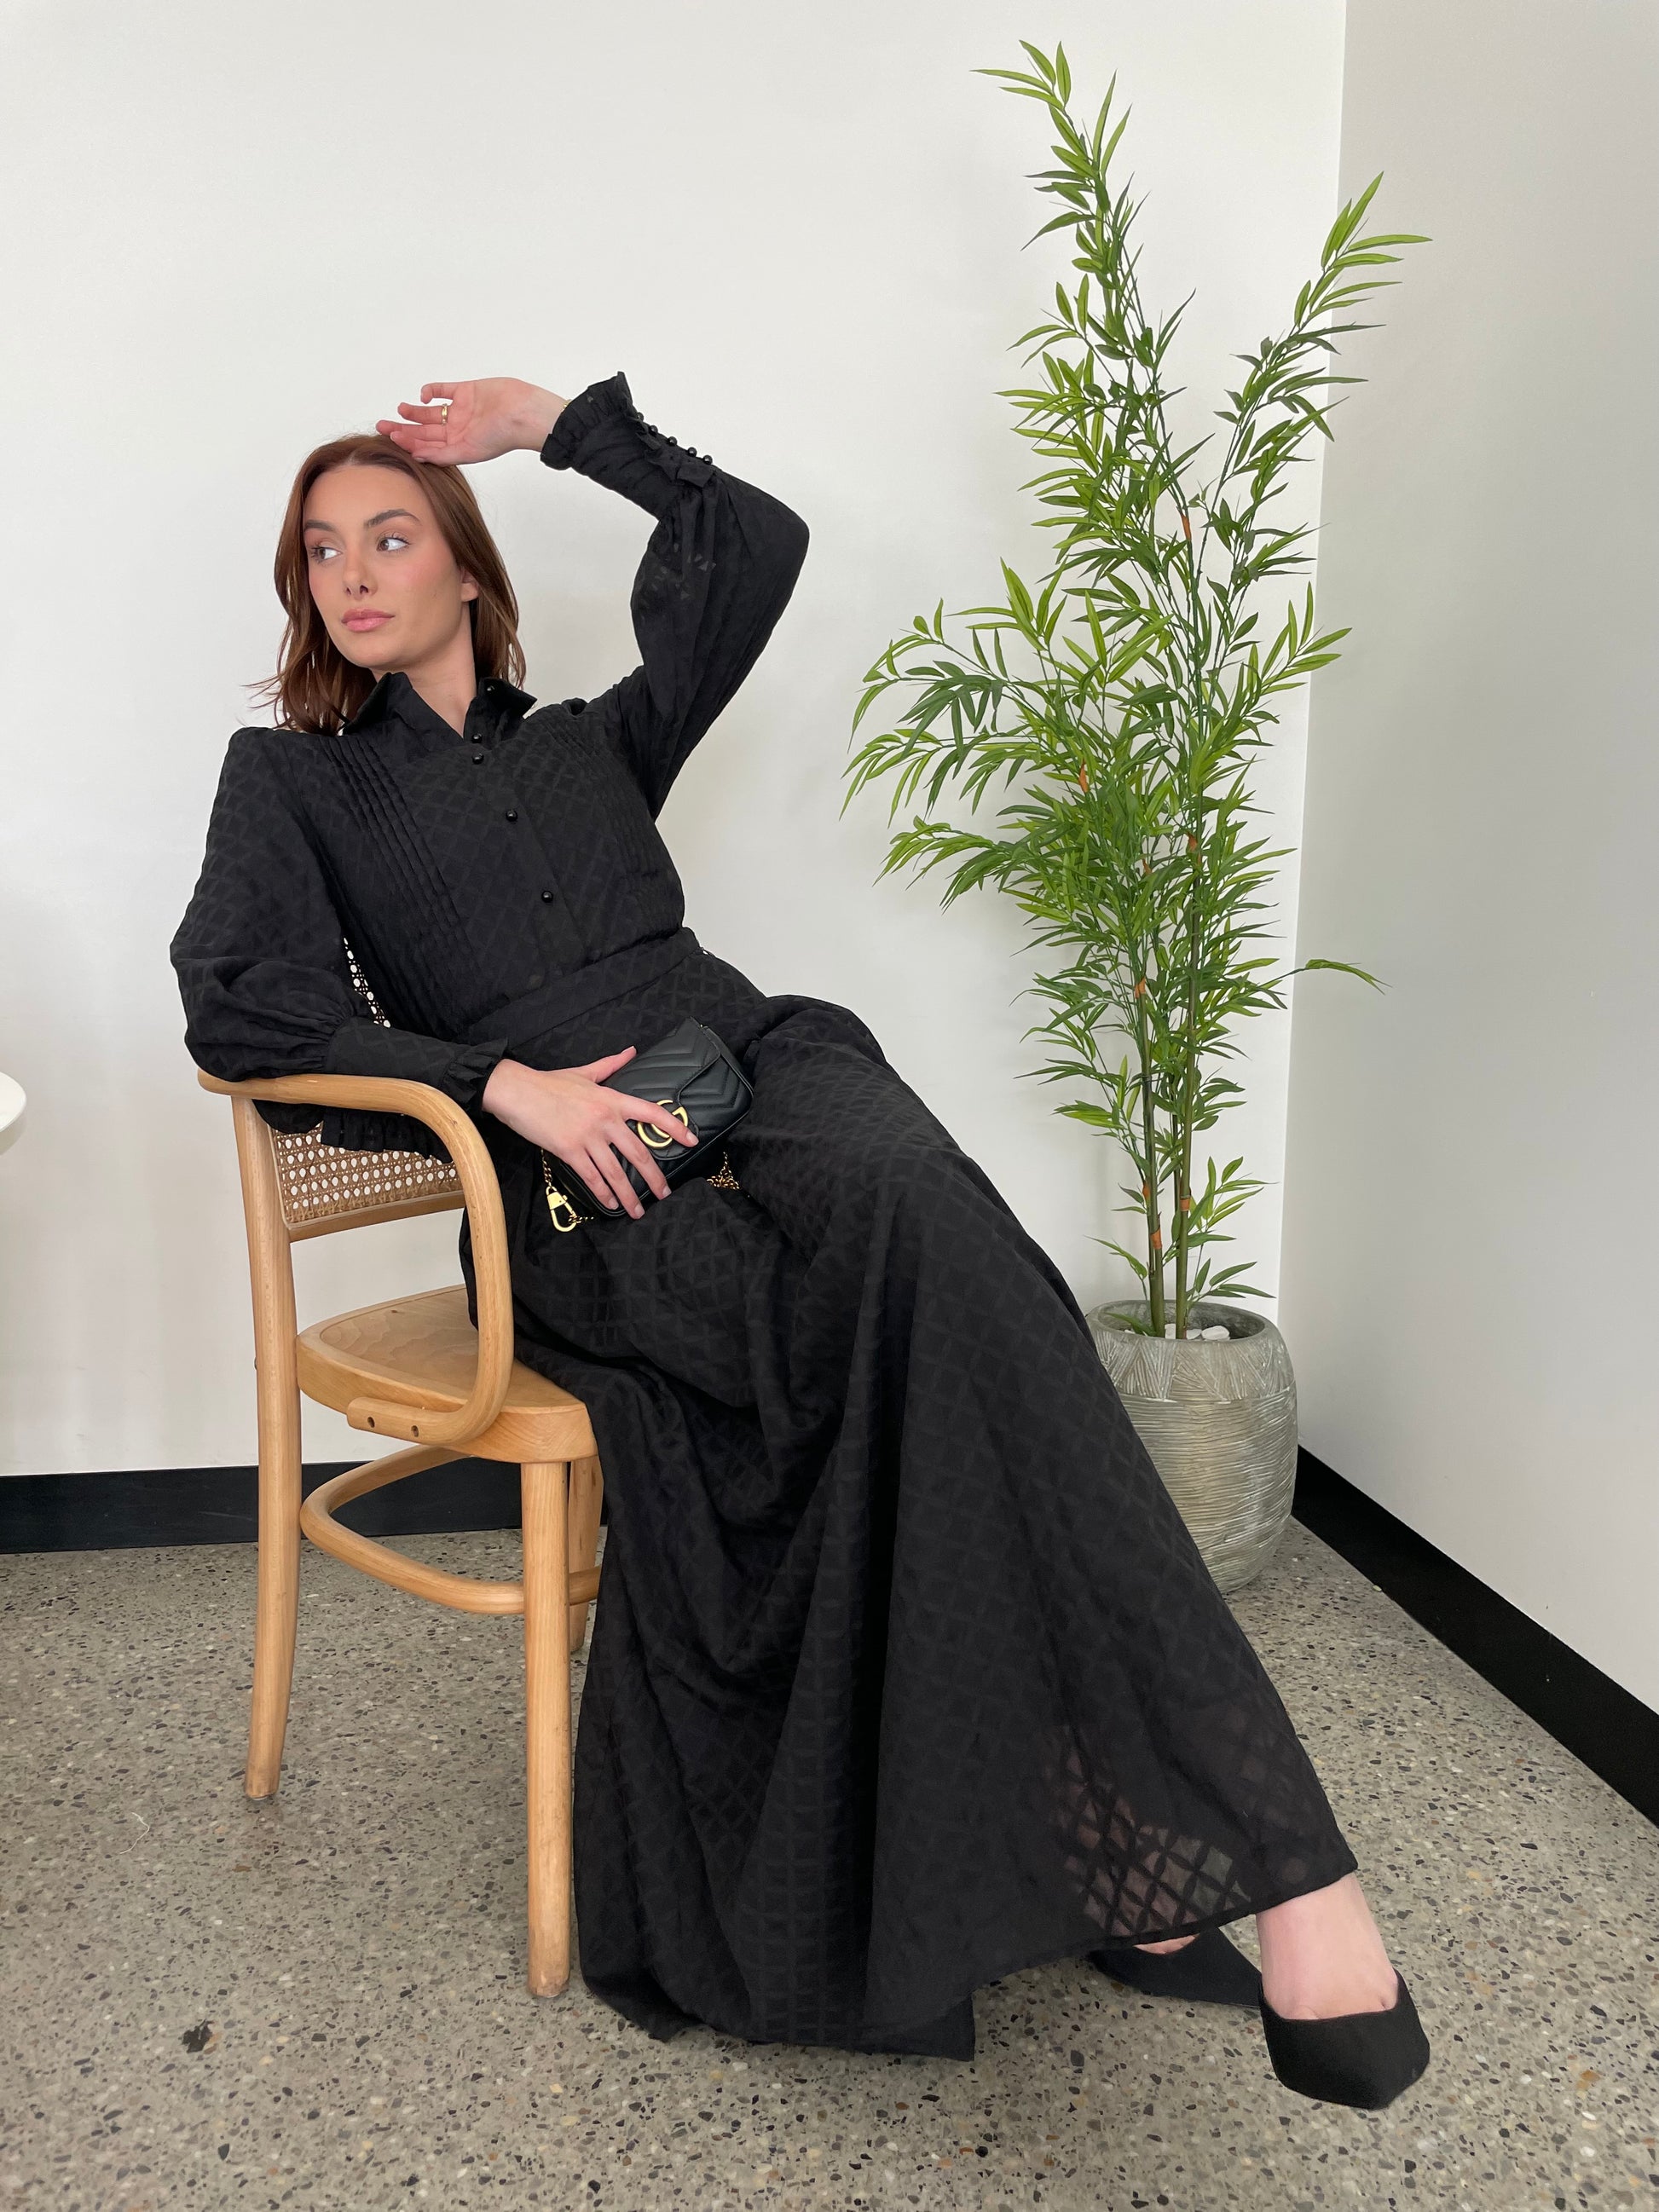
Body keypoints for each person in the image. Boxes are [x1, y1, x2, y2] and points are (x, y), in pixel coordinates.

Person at [171, 371, 1431, 2109]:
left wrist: (555, 426)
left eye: (391, 536)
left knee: (940, 1235)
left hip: (754, 1060)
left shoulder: (594, 743)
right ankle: (1237, 1866)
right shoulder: (293, 782)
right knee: (910, 1326)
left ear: (465, 564)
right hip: (565, 1177)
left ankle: (1175, 1847)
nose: (353, 573)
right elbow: (238, 1005)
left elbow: (748, 542)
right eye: (321, 551)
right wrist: (501, 1086)